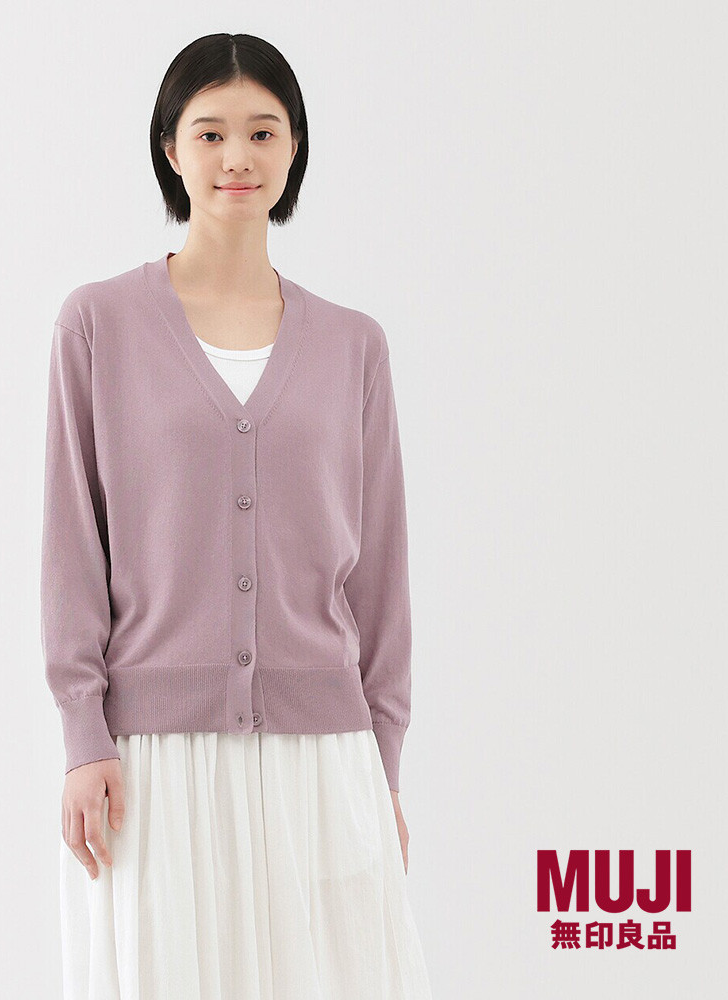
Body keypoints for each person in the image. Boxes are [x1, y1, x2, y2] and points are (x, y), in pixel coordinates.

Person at [41, 32, 434, 1000]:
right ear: (169, 148)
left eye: (262, 132)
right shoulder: (97, 323)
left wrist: (380, 766)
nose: (237, 157)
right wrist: (85, 734)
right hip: (151, 758)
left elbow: (381, 568)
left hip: (325, 756)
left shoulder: (353, 345)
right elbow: (72, 545)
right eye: (210, 132)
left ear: (295, 147)